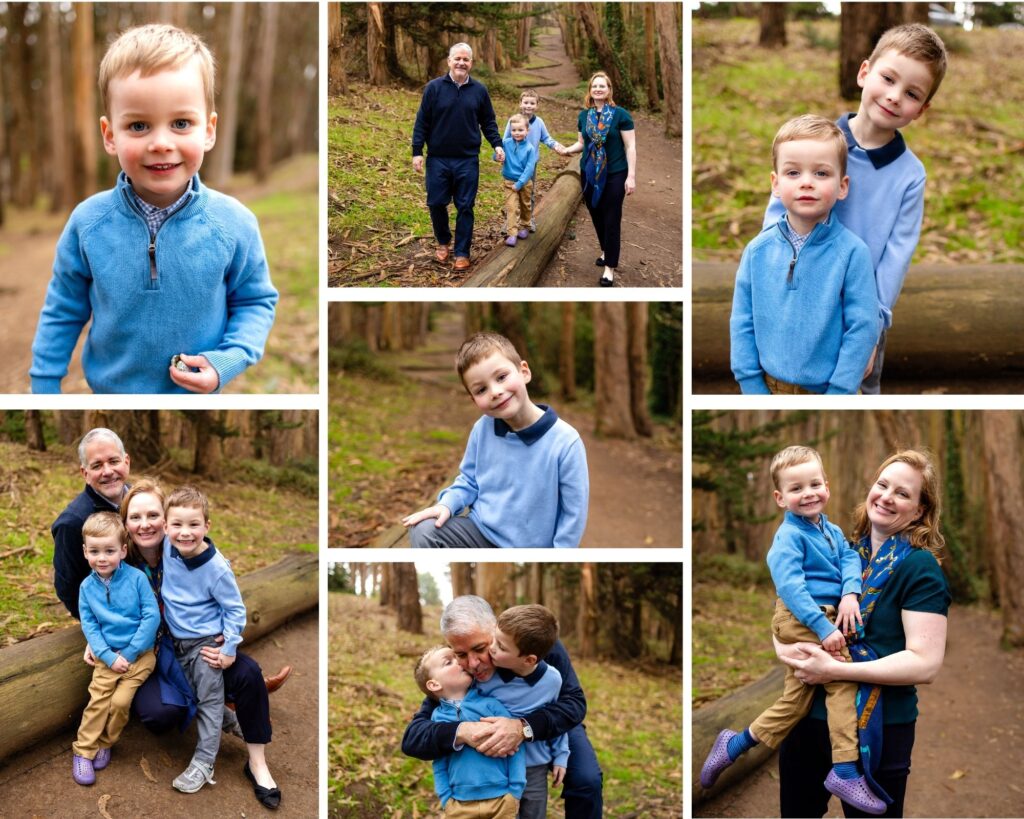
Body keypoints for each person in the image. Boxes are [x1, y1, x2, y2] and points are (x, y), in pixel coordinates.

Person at [29, 23, 278, 394]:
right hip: (111, 391)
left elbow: (256, 301)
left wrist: (226, 360)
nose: (161, 143)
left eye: (181, 123)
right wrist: (45, 384)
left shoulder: (234, 224)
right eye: (139, 125)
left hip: (196, 396)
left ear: (208, 130)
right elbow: (63, 309)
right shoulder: (88, 224)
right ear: (110, 135)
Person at [51, 427, 293, 719]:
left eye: (113, 461)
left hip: (167, 602)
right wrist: (96, 627)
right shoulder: (72, 521)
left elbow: (186, 537)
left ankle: (242, 687)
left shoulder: (136, 496)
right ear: (84, 472)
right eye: (97, 465)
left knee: (199, 636)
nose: (108, 471)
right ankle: (219, 702)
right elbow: (67, 587)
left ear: (126, 461)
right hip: (119, 620)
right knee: (162, 691)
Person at [699, 446, 885, 814]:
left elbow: (849, 556)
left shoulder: (828, 529)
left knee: (795, 702)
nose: (809, 493)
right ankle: (845, 770)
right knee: (842, 681)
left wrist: (850, 593)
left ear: (827, 487)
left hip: (825, 613)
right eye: (797, 488)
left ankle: (734, 745)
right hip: (802, 616)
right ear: (780, 498)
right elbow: (791, 588)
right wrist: (822, 627)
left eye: (815, 483)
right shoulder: (788, 538)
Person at [765, 24, 948, 394]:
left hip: (856, 316)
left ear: (922, 110)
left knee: (853, 392)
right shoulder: (813, 142)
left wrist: (871, 330)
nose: (895, 96)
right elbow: (776, 217)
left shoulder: (910, 176)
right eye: (888, 78)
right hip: (800, 301)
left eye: (911, 93)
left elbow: (896, 258)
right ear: (864, 73)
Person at [772, 450, 951, 817]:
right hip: (808, 716)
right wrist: (781, 644)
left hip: (880, 725)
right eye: (882, 485)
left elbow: (925, 664)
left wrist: (835, 670)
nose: (886, 497)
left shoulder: (920, 569)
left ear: (918, 510)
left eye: (903, 493)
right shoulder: (846, 550)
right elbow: (792, 604)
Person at [121, 479, 282, 809]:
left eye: (193, 525)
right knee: (193, 692)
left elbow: (235, 609)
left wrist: (228, 646)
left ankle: (203, 763)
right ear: (167, 526)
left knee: (209, 701)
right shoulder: (163, 546)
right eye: (176, 525)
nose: (183, 532)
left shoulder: (215, 567)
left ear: (207, 526)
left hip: (205, 646)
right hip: (173, 644)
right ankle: (235, 722)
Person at [402, 595, 604, 819]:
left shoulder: (534, 639)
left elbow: (573, 702)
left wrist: (523, 728)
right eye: (460, 654)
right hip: (496, 738)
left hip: (548, 715)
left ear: (495, 628)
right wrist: (463, 731)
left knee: (587, 780)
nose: (473, 664)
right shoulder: (459, 674)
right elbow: (414, 736)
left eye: (480, 648)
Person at [731, 115, 879, 395]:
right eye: (793, 173)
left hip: (830, 390)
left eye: (821, 173)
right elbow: (742, 320)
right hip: (768, 386)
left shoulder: (852, 253)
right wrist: (750, 384)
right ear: (775, 184)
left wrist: (840, 390)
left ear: (842, 186)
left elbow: (862, 327)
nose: (807, 183)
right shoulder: (756, 252)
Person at [402, 332, 589, 548]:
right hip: (480, 532)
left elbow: (573, 513)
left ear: (524, 371)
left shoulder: (566, 442)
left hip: (531, 548)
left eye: (501, 377)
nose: (496, 392)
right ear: (474, 400)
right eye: (481, 389)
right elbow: (469, 481)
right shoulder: (482, 429)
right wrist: (447, 504)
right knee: (424, 530)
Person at [71, 512, 160, 786]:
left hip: (140, 656)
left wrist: (130, 653)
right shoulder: (86, 588)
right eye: (94, 551)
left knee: (120, 703)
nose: (102, 558)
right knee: (97, 702)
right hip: (107, 657)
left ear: (122, 550)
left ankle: (106, 742)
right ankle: (84, 751)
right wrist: (109, 656)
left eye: (109, 551)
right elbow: (90, 625)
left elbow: (152, 617)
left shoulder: (136, 579)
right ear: (85, 552)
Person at [412, 42, 504, 272]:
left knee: (465, 206)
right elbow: (422, 121)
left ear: (471, 63)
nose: (462, 63)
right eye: (458, 58)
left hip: (467, 159)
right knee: (435, 202)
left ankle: (462, 252)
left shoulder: (479, 91)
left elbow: (488, 122)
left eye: (466, 59)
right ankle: (443, 241)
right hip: (438, 158)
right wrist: (417, 152)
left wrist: (498, 145)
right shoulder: (434, 88)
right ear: (449, 61)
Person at [415, 645, 525, 818]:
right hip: (459, 804)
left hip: (501, 798)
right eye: (448, 662)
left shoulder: (491, 705)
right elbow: (439, 761)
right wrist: (446, 798)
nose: (459, 661)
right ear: (434, 684)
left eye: (457, 656)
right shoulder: (437, 719)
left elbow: (516, 746)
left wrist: (515, 791)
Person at [483, 605, 570, 818]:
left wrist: (561, 755)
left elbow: (555, 719)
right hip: (495, 766)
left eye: (502, 647)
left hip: (534, 767)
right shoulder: (486, 676)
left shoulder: (552, 680)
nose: (492, 648)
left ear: (529, 659)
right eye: (494, 639)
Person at [560, 71, 636, 287]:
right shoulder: (584, 116)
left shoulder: (621, 115)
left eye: (603, 86)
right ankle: (605, 249)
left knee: (611, 217)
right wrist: (567, 150)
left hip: (614, 173)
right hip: (590, 172)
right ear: (590, 91)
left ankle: (609, 267)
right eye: (595, 86)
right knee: (596, 213)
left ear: (609, 90)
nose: (598, 89)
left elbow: (630, 147)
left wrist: (631, 176)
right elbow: (582, 144)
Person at [502, 90, 565, 232]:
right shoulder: (513, 121)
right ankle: (510, 222)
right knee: (511, 193)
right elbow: (505, 140)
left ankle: (528, 219)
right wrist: (500, 153)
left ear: (537, 105)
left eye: (532, 103)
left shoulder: (539, 122)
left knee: (527, 192)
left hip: (530, 165)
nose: (528, 106)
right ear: (520, 103)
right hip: (512, 165)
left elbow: (546, 138)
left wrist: (555, 145)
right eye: (526, 102)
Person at [498, 114, 539, 247]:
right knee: (511, 207)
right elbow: (497, 156)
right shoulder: (506, 143)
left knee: (525, 205)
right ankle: (512, 233)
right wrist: (498, 156)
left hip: (524, 183)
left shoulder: (529, 149)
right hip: (509, 182)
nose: (517, 133)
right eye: (514, 130)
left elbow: (529, 168)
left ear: (527, 131)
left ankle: (525, 225)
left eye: (520, 130)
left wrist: (520, 183)